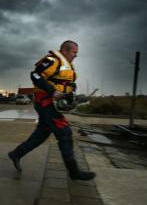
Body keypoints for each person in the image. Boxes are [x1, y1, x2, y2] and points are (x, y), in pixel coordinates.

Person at [8, 40, 96, 181]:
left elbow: (64, 85)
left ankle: (16, 154)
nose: (75, 56)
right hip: (45, 102)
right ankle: (74, 172)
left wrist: (75, 98)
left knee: (41, 134)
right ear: (65, 51)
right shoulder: (52, 60)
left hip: (53, 103)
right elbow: (34, 75)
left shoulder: (68, 66)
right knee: (64, 133)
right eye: (74, 52)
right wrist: (51, 91)